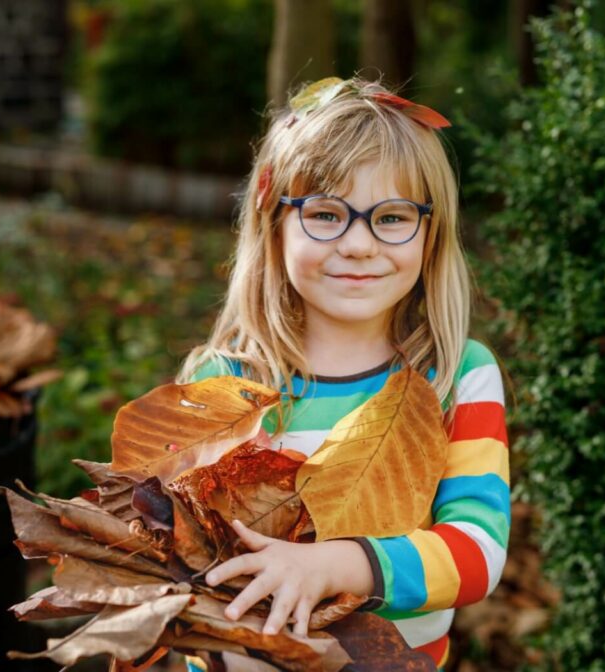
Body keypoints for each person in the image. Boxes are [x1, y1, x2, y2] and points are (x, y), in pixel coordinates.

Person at [175, 75, 511, 671]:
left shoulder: (457, 375)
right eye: (325, 214)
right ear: (274, 225)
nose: (358, 244)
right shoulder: (228, 377)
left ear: (431, 234)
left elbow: (477, 552)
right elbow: (200, 562)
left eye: (392, 217)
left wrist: (330, 566)